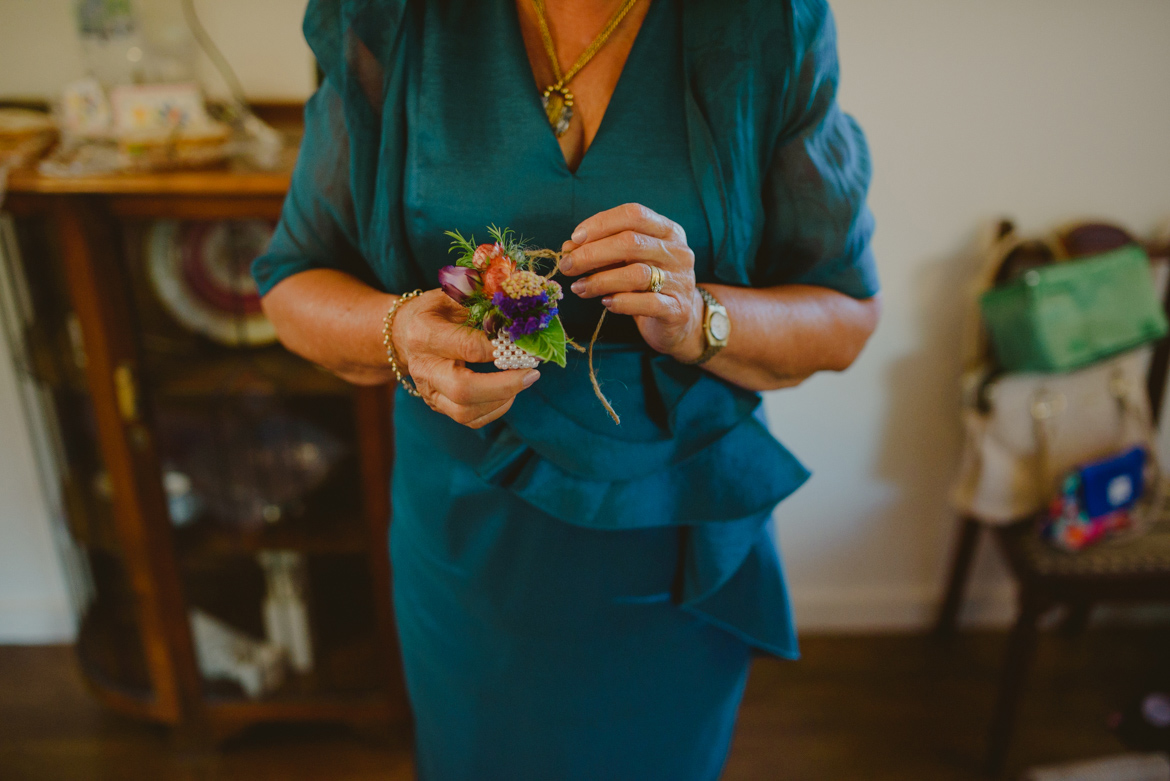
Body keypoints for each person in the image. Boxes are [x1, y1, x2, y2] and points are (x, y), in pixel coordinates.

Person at [252, 0, 881, 777]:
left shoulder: (767, 22)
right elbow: (290, 284)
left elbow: (846, 313)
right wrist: (397, 330)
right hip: (470, 536)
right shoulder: (387, 17)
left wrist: (699, 318)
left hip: (672, 534)